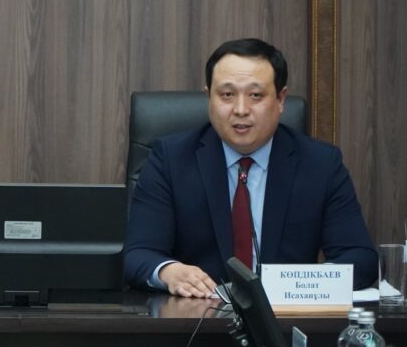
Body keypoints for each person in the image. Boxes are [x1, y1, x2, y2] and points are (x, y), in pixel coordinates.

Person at [124, 38, 377, 298]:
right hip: (198, 315)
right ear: (209, 97)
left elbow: (360, 257)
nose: (241, 109)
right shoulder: (171, 159)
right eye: (227, 95)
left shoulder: (320, 164)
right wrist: (169, 271)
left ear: (280, 99)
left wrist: (308, 284)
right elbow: (138, 255)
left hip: (284, 318)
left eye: (255, 95)